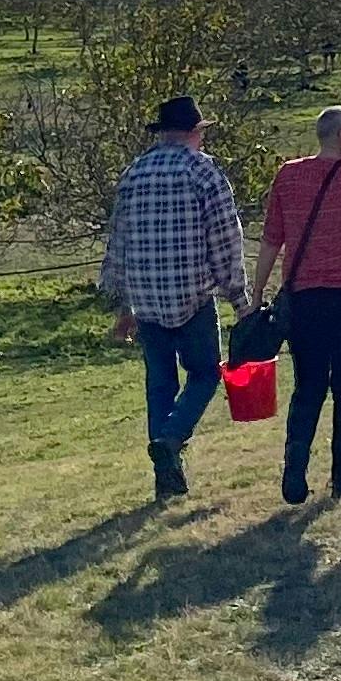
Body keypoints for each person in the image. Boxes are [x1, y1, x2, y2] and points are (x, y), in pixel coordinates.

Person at [98, 93, 246, 500]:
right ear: (194, 132)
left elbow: (120, 242)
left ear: (162, 134)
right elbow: (225, 239)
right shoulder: (203, 172)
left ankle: (166, 478)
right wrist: (239, 296)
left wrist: (123, 306)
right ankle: (172, 440)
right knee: (204, 373)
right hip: (194, 294)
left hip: (146, 298)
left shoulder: (134, 173)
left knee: (159, 382)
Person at [251, 104, 341, 504]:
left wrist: (258, 294)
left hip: (304, 298)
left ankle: (294, 469)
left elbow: (272, 239)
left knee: (307, 386)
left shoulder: (288, 175)